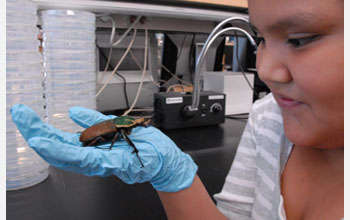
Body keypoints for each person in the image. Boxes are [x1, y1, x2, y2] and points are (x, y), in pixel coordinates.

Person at [10, 0, 344, 219]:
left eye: (300, 39)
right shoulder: (267, 120)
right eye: (260, 39)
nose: (266, 69)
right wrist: (173, 179)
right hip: (99, 135)